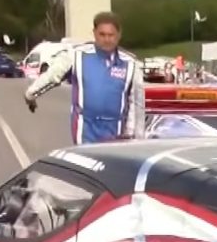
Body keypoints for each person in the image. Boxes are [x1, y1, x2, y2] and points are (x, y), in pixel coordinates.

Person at [23, 11, 144, 144]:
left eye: (111, 35)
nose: (107, 39)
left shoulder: (130, 64)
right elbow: (52, 77)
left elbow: (137, 104)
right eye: (102, 34)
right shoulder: (76, 56)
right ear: (94, 33)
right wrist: (31, 94)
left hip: (116, 131)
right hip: (85, 129)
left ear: (119, 35)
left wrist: (136, 139)